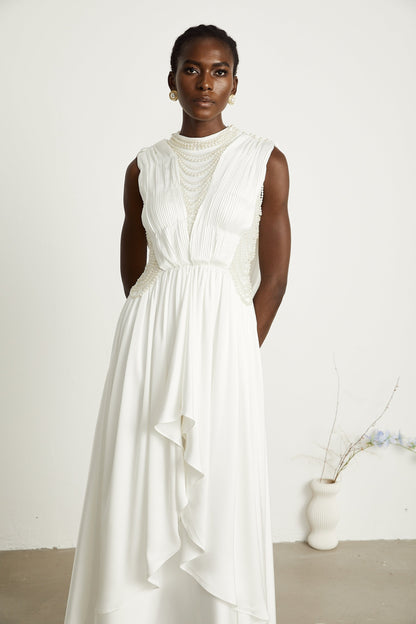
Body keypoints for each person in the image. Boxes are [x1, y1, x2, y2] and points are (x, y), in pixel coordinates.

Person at [64, 23, 290, 624]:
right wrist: (155, 336)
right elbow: (135, 274)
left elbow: (273, 279)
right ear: (171, 80)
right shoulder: (143, 167)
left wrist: (238, 343)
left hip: (226, 342)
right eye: (192, 69)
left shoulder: (265, 161)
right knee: (143, 478)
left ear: (236, 83)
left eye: (219, 71)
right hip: (149, 345)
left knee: (218, 485)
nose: (205, 82)